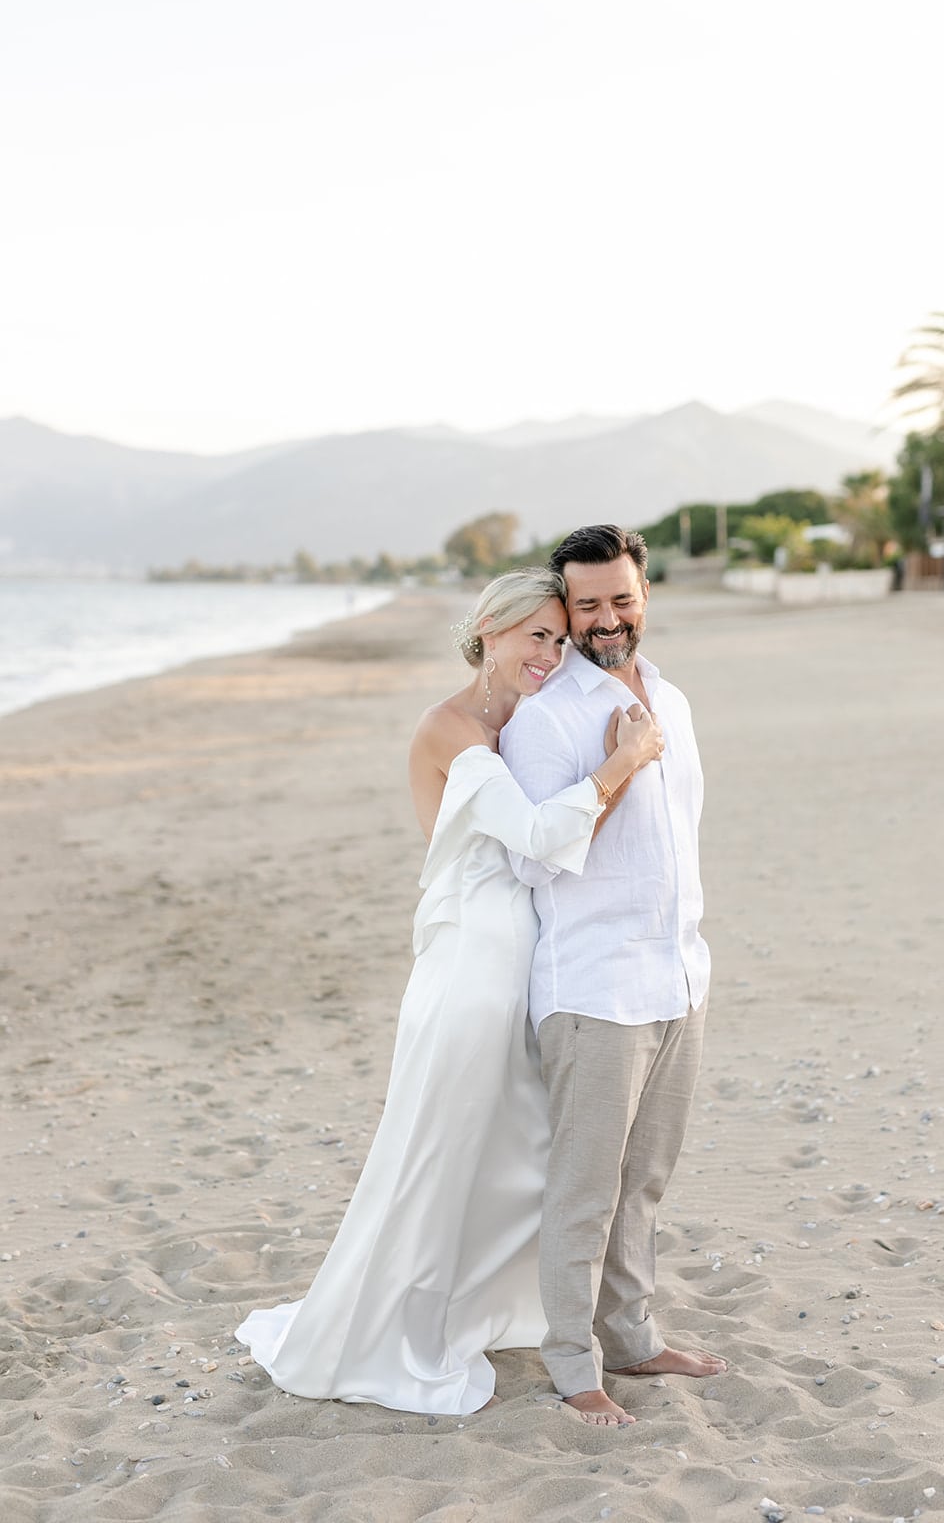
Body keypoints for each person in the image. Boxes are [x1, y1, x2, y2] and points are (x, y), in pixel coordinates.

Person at [235, 567, 663, 1415]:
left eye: (557, 637)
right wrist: (626, 759)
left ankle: (486, 1307)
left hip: (524, 955)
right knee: (440, 1146)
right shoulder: (452, 727)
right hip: (471, 960)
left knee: (514, 1146)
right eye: (532, 636)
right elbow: (539, 835)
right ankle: (385, 1326)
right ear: (488, 633)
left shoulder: (526, 724)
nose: (548, 652)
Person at [500, 526, 726, 1427]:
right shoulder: (547, 717)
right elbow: (535, 860)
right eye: (585, 605)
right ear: (563, 608)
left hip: (677, 975)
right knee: (585, 1187)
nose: (604, 620)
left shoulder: (671, 695)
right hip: (593, 989)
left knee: (646, 1179)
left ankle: (631, 1337)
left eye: (619, 599)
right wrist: (619, 765)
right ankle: (572, 1361)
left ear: (644, 593)